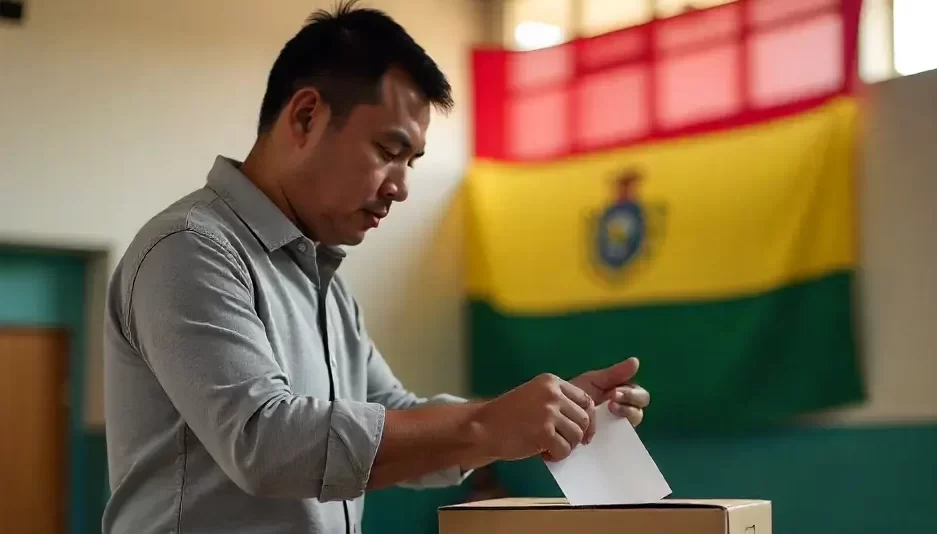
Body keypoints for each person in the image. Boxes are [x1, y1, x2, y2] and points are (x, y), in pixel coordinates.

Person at [101, 2, 651, 533]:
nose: (402, 187)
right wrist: (489, 425)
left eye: (411, 163)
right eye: (389, 150)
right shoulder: (190, 248)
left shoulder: (324, 284)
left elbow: (394, 414)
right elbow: (264, 444)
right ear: (307, 116)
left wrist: (546, 416)